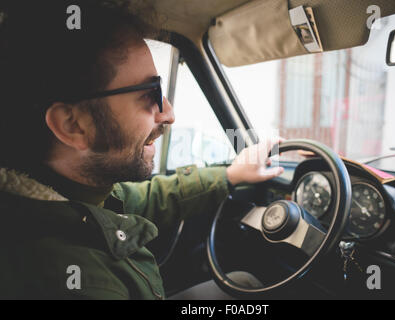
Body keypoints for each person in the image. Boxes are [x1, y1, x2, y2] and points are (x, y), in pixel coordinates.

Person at [0, 0, 283, 299]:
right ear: (73, 125)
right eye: (150, 94)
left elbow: (147, 198)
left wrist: (229, 174)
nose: (169, 114)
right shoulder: (77, 282)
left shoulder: (75, 189)